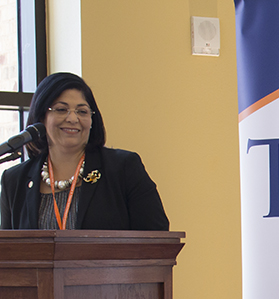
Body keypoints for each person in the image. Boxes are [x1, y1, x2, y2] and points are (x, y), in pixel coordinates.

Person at [1, 72, 168, 231]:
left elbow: (157, 239)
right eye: (61, 109)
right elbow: (8, 252)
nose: (73, 119)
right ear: (41, 118)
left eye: (82, 111)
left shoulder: (123, 168)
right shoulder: (15, 180)